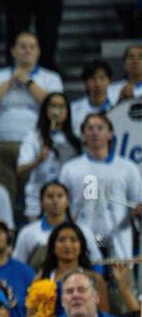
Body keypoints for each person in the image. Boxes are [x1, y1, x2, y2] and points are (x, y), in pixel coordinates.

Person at [58, 112, 142, 261]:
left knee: (121, 283)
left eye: (100, 128)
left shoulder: (128, 168)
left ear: (110, 134)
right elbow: (62, 205)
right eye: (90, 128)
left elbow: (137, 202)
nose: (95, 132)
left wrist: (137, 211)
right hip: (83, 239)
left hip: (119, 239)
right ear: (83, 135)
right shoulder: (70, 168)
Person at [17, 92, 81, 222]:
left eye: (61, 107)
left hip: (67, 200)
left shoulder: (75, 141)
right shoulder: (34, 137)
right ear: (45, 110)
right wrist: (37, 161)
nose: (57, 111)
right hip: (38, 200)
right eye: (53, 106)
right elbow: (20, 169)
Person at [14, 181, 103, 270]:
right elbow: (18, 265)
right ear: (41, 202)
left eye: (60, 196)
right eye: (50, 196)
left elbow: (97, 262)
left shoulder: (83, 231)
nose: (55, 201)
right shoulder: (28, 232)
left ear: (68, 201)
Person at [70, 59, 123, 134]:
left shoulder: (118, 106)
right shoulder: (74, 109)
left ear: (109, 81)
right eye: (92, 79)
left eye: (102, 78)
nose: (98, 84)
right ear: (85, 83)